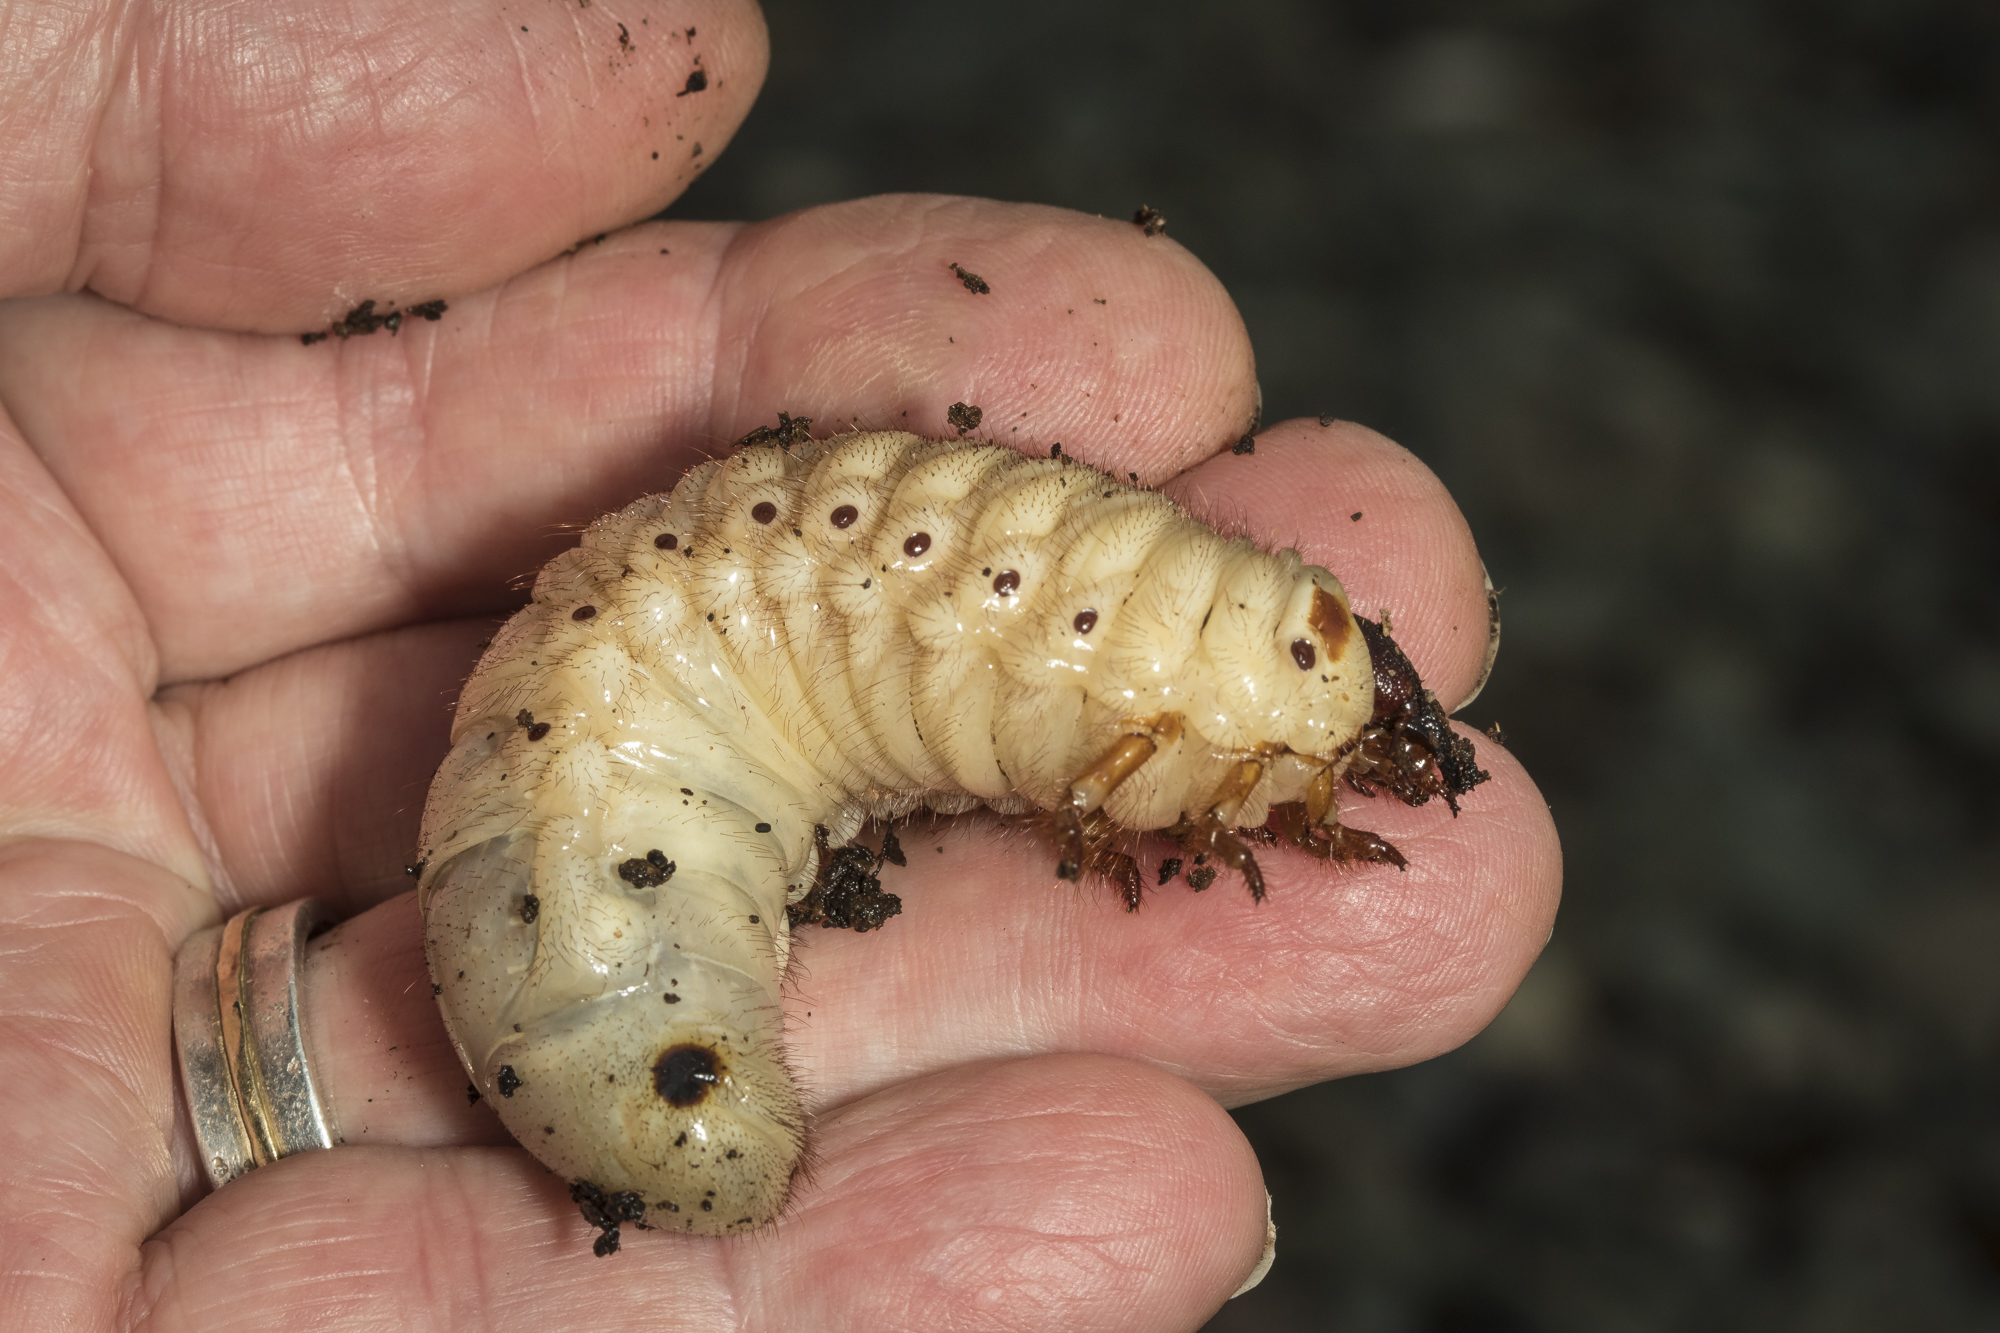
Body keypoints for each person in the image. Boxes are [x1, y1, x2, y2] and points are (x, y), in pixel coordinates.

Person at [0, 2, 1560, 1327]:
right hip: (638, 735)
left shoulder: (933, 610)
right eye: (1297, 671)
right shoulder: (975, 631)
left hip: (657, 699)